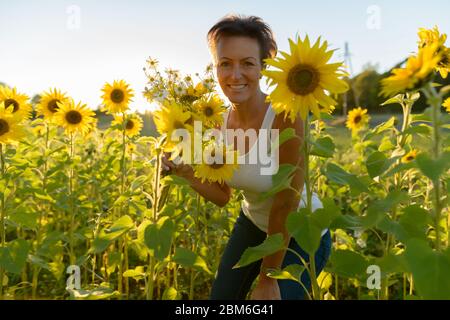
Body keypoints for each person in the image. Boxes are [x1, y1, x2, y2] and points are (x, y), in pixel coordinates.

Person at [162, 14, 331, 300]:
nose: (235, 75)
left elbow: (286, 202)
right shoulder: (216, 123)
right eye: (225, 63)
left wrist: (268, 278)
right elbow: (222, 195)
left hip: (301, 230)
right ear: (215, 68)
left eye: (248, 63)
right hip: (252, 223)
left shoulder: (286, 117)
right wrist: (186, 173)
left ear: (264, 67)